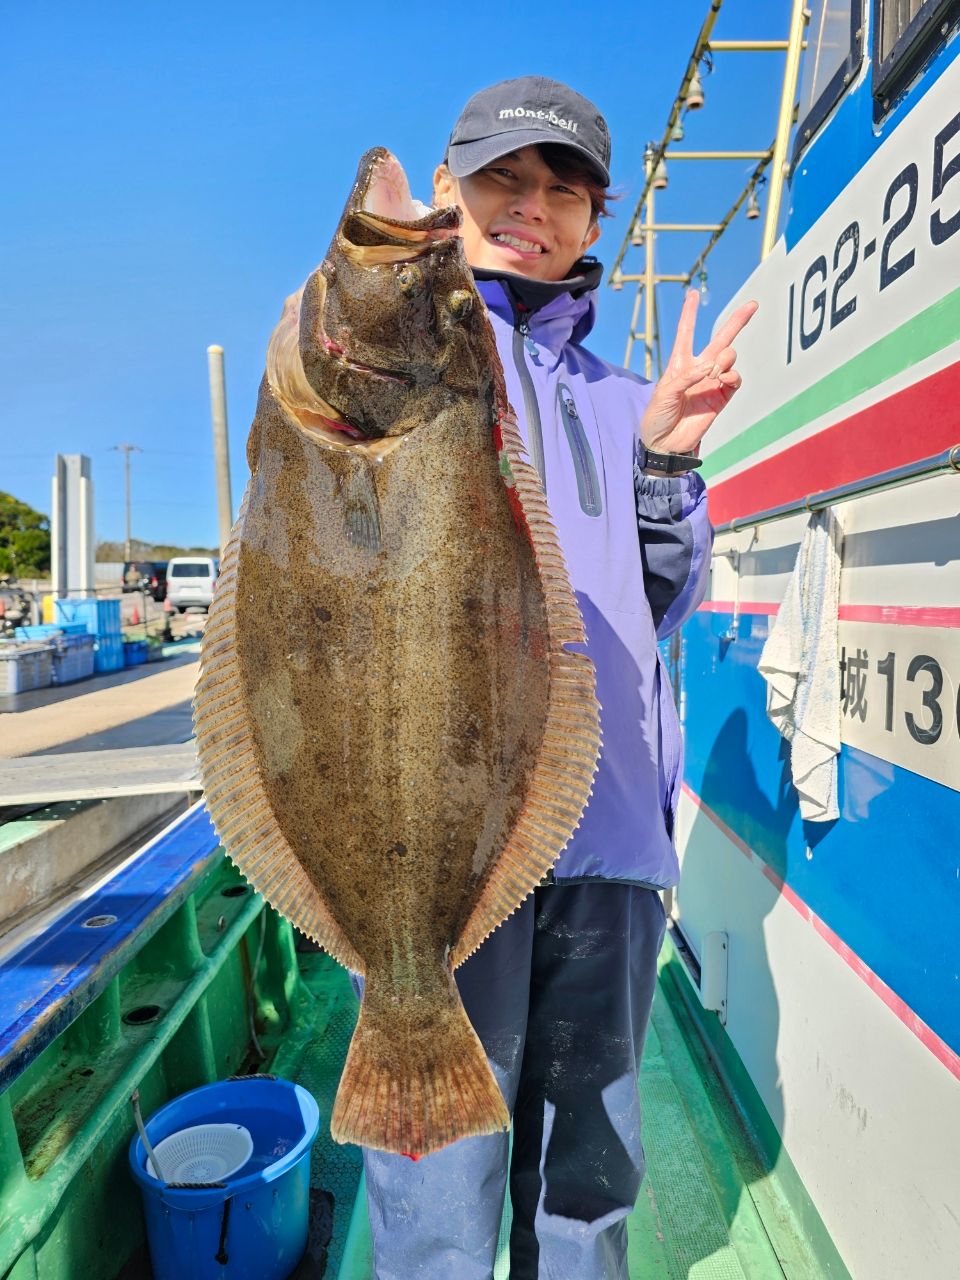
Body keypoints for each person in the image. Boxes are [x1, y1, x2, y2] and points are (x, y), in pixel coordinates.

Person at [360, 76, 757, 1280]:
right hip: (444, 855)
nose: (533, 207)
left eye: (565, 191)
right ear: (447, 189)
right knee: (436, 1185)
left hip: (609, 843)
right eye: (504, 178)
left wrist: (664, 462)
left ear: (595, 222)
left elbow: (661, 600)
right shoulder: (389, 365)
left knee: (587, 1184)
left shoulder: (632, 400)